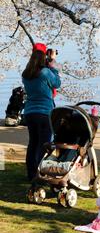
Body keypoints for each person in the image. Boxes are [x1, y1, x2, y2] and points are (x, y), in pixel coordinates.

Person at [22, 43, 61, 181]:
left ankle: (31, 173)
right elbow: (57, 83)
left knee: (33, 143)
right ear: (43, 56)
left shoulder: (26, 74)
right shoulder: (45, 72)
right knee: (43, 144)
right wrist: (53, 64)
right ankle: (40, 174)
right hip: (44, 113)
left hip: (30, 112)